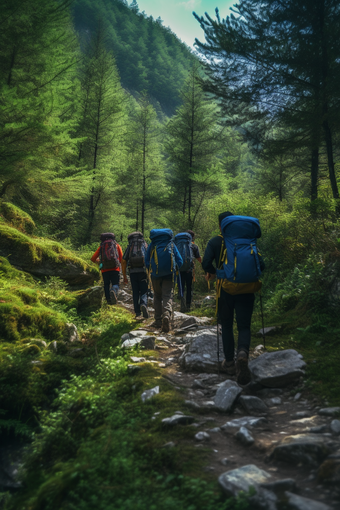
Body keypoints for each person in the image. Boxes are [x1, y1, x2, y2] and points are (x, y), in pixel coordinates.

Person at [202, 212, 264, 385]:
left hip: (225, 290)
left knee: (227, 325)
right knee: (244, 325)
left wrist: (216, 273)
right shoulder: (248, 240)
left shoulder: (215, 241)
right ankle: (242, 354)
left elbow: (206, 263)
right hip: (247, 288)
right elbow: (262, 265)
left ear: (221, 226)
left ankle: (229, 363)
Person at [145, 228, 183, 333]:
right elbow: (180, 260)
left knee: (157, 296)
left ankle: (158, 321)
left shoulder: (153, 244)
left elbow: (146, 260)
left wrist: (152, 269)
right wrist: (174, 268)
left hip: (155, 275)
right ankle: (166, 315)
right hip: (169, 274)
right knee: (167, 295)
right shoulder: (171, 244)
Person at [121, 231, 149, 320]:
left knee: (135, 292)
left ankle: (137, 313)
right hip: (143, 272)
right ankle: (143, 304)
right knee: (144, 291)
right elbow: (149, 258)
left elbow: (124, 261)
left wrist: (124, 276)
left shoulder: (130, 246)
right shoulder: (145, 245)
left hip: (133, 272)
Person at [91, 233, 123, 305]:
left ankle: (108, 301)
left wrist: (100, 262)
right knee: (115, 283)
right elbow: (122, 259)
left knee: (106, 284)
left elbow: (93, 258)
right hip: (115, 269)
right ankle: (114, 291)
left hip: (105, 269)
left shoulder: (102, 246)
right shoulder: (117, 245)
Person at [177, 230, 201, 312]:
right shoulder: (193, 246)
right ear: (192, 237)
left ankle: (182, 304)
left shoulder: (178, 244)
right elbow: (199, 258)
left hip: (180, 269)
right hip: (189, 270)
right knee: (189, 287)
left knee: (181, 286)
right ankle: (188, 305)